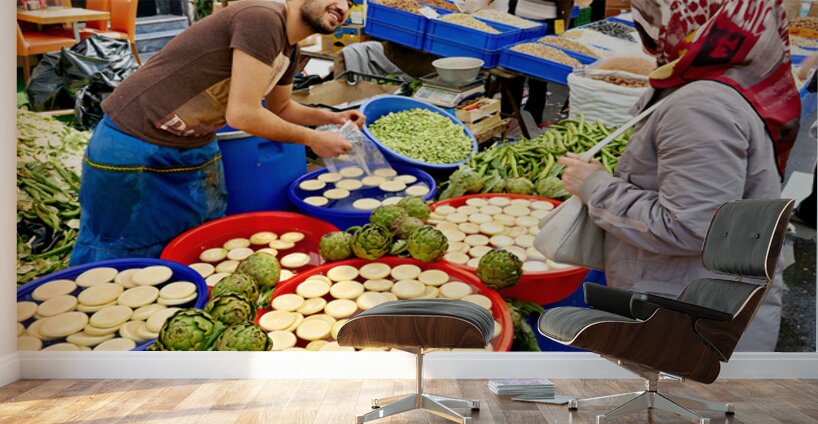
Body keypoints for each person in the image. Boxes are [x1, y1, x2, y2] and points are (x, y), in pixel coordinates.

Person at [558, 0, 801, 352]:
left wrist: (594, 187)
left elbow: (691, 226)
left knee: (672, 405)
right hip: (697, 305)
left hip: (689, 318)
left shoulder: (699, 106)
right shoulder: (726, 76)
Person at [70, 0, 364, 265]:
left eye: (350, 3)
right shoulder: (262, 18)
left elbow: (281, 107)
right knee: (121, 254)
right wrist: (313, 139)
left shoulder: (290, 48)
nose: (343, 6)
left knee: (201, 248)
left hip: (194, 148)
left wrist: (331, 118)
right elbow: (243, 114)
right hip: (137, 144)